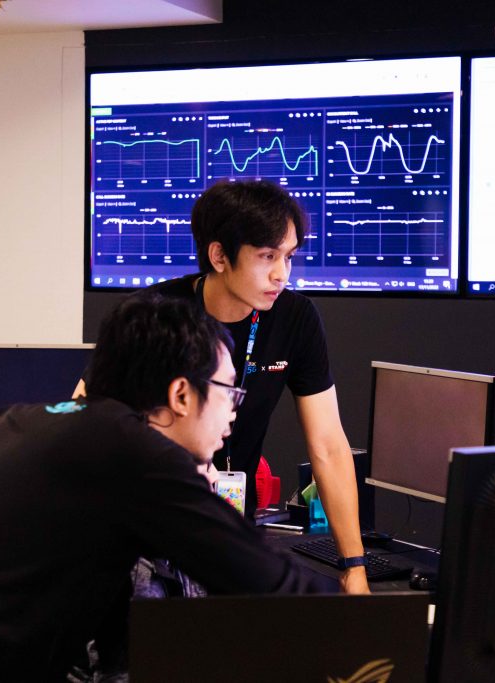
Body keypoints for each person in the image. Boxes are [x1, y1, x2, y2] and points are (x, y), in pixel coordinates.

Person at [0, 294, 332, 683]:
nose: (234, 412)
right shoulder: (137, 451)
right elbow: (260, 577)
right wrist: (365, 621)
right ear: (180, 394)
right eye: (228, 392)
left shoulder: (30, 418)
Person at [78, 180, 369, 594]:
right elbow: (83, 417)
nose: (282, 274)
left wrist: (354, 566)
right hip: (148, 530)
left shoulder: (295, 318)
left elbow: (328, 445)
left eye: (288, 257)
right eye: (267, 256)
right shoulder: (155, 316)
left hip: (227, 526)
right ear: (219, 256)